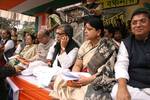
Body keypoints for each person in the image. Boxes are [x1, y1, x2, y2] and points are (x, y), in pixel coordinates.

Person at [50, 17, 117, 100]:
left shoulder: (108, 46)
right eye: (85, 28)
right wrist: (74, 78)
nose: (85, 31)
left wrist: (87, 80)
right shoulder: (85, 45)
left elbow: (106, 72)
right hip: (81, 76)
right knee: (60, 79)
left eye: (89, 29)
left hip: (96, 79)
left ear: (98, 32)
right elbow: (78, 64)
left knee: (85, 93)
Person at [111, 8, 150, 100]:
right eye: (134, 23)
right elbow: (121, 65)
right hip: (132, 85)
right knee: (115, 91)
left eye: (142, 21)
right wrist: (122, 88)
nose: (138, 25)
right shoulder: (126, 43)